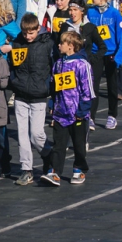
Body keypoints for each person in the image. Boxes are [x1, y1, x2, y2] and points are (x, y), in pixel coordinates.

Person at [2, 13, 53, 186]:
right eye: (25, 33)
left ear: (38, 28)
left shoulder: (48, 43)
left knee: (36, 134)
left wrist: (50, 90)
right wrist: (14, 82)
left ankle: (48, 154)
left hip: (39, 95)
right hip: (21, 94)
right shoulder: (17, 43)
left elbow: (54, 66)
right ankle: (26, 169)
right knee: (22, 134)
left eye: (31, 33)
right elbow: (12, 65)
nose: (28, 37)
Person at [42, 31, 93, 186]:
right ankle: (55, 172)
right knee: (58, 145)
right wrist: (52, 103)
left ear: (70, 46)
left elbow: (87, 90)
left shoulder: (82, 65)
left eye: (62, 43)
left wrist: (82, 110)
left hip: (77, 113)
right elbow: (55, 86)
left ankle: (79, 169)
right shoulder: (58, 64)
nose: (59, 45)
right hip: (61, 112)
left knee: (78, 145)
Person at [87, 0, 122, 131]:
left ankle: (112, 115)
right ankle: (91, 117)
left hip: (111, 53)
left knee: (112, 85)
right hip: (96, 53)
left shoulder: (115, 13)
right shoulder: (90, 12)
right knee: (93, 86)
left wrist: (119, 56)